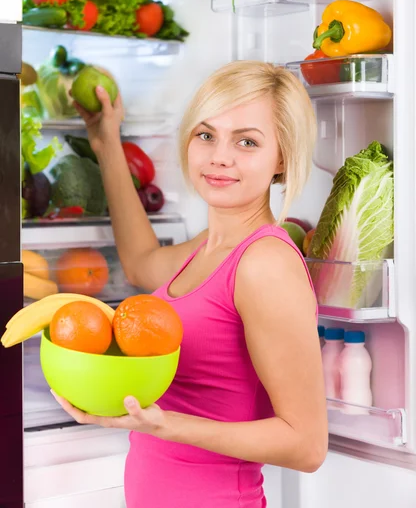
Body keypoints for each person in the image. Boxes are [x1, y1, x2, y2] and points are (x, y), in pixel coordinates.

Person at [53, 61, 328, 507]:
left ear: (281, 157)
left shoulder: (265, 264)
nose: (220, 156)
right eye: (206, 134)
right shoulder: (208, 248)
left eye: (247, 141)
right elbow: (142, 264)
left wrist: (166, 424)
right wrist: (106, 141)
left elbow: (306, 445)